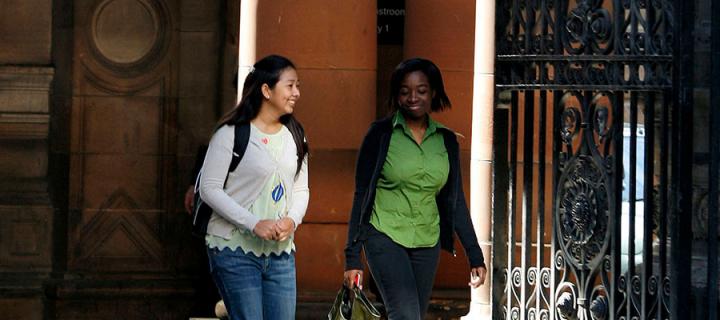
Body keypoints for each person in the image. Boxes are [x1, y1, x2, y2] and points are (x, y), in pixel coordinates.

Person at [343, 58, 487, 320]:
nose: (413, 97)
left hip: (426, 240)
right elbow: (361, 195)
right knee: (406, 315)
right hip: (384, 234)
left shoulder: (446, 141)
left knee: (412, 315)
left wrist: (474, 255)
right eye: (404, 91)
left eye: (421, 90)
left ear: (433, 93)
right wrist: (352, 257)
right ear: (397, 96)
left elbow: (455, 201)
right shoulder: (379, 134)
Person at [200, 54, 309, 320]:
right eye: (290, 85)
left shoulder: (296, 135)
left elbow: (301, 189)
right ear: (266, 90)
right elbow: (209, 188)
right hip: (233, 248)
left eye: (298, 86)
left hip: (281, 253)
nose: (297, 92)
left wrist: (292, 221)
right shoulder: (230, 134)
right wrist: (254, 223)